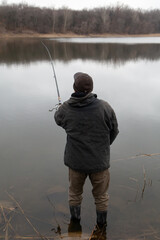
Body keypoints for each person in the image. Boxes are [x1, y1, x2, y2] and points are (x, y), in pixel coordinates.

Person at [54, 72, 119, 238]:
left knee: (75, 195)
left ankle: (75, 225)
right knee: (101, 197)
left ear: (74, 88)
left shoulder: (66, 108)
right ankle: (101, 227)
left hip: (76, 163)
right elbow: (114, 131)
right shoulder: (105, 107)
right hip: (99, 162)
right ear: (91, 89)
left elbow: (58, 120)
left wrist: (63, 106)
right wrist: (103, 147)